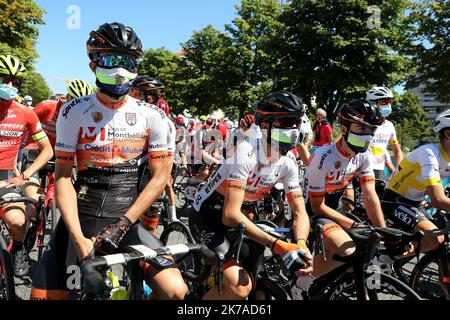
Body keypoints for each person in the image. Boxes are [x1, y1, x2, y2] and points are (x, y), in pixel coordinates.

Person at [30, 22, 187, 300]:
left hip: (126, 221)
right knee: (43, 296)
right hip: (81, 218)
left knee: (176, 291)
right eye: (111, 60)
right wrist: (78, 240)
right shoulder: (73, 111)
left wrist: (122, 226)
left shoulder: (153, 116)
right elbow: (64, 176)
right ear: (93, 65)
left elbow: (160, 177)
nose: (120, 68)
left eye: (127, 61)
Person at [189, 91, 313, 300]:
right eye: (285, 122)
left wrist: (300, 243)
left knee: (259, 287)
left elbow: (300, 212)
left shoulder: (288, 162)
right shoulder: (245, 151)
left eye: (296, 123)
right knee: (240, 288)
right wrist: (277, 244)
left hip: (240, 217)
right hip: (209, 216)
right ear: (264, 125)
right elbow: (229, 215)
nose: (293, 129)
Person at [300, 99, 387, 298]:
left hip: (333, 209)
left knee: (363, 251)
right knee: (348, 251)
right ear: (344, 127)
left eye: (371, 129)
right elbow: (317, 206)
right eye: (361, 127)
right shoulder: (323, 157)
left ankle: (334, 280)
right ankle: (301, 283)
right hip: (312, 211)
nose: (368, 135)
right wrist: (352, 224)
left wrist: (383, 230)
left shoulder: (364, 156)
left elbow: (370, 196)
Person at [0, 54, 53, 277]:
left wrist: (24, 176)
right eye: (4, 78)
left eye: (15, 81)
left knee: (19, 221)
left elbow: (47, 150)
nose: (9, 85)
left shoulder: (25, 112)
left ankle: (19, 248)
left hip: (5, 177)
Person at [381, 109, 450, 254]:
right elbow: (438, 199)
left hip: (415, 204)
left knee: (443, 243)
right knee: (436, 238)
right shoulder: (429, 153)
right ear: (447, 134)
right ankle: (386, 260)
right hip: (394, 201)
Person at [131, 75, 179, 227]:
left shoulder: (166, 123)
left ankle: (172, 218)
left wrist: (159, 184)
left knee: (148, 232)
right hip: (127, 180)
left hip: (148, 180)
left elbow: (168, 161)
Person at [366, 86, 403, 180]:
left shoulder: (389, 125)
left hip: (378, 169)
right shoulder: (360, 123)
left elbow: (397, 151)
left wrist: (400, 172)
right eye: (384, 101)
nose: (388, 105)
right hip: (359, 168)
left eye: (390, 102)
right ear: (372, 103)